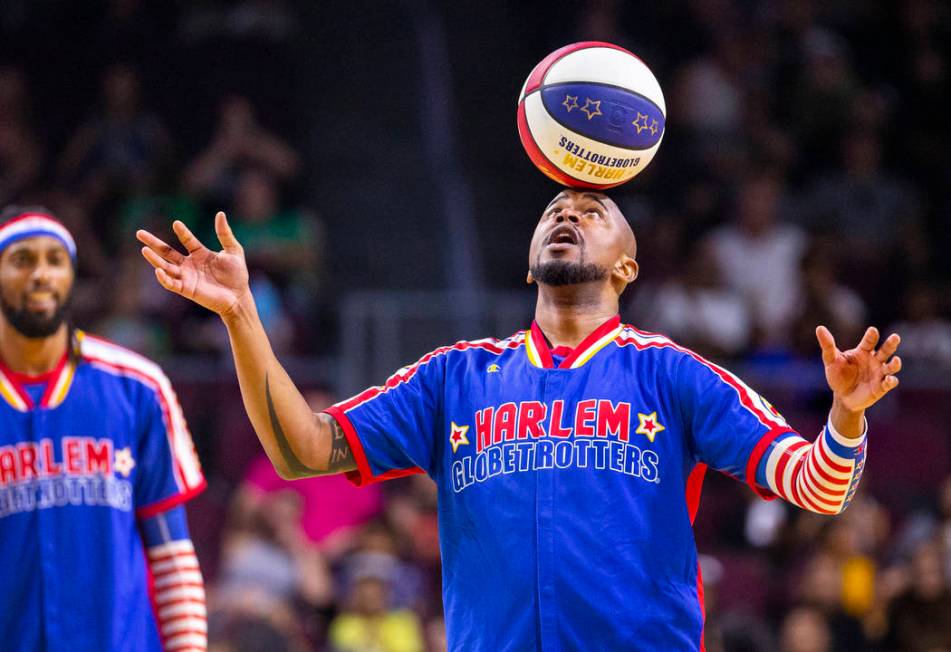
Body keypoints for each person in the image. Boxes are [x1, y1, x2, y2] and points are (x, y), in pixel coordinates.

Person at [138, 189, 902, 650]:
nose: (567, 214)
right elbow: (305, 451)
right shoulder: (453, 375)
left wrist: (843, 414)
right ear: (529, 259)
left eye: (592, 212)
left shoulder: (670, 372)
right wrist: (242, 318)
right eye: (554, 212)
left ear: (627, 267)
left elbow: (816, 487)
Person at [0, 206, 207, 651]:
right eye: (22, 260)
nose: (41, 274)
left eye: (55, 260)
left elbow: (171, 551)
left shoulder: (138, 387)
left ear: (72, 278)